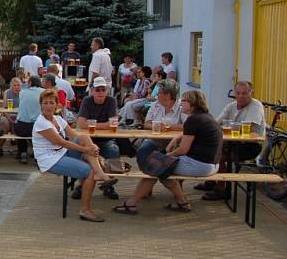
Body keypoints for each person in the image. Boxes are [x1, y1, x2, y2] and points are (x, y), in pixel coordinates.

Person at [113, 90, 221, 215]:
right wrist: (177, 138)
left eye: (184, 101)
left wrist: (164, 156)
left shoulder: (193, 120)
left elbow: (183, 150)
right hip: (212, 165)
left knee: (156, 165)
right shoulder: (206, 117)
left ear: (193, 104)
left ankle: (131, 204)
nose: (181, 104)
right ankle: (182, 201)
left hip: (200, 165)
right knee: (162, 169)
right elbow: (191, 136)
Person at [33, 89, 110, 222]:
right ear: (41, 105)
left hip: (62, 153)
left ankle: (99, 172)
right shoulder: (41, 123)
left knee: (85, 137)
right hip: (50, 160)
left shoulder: (57, 119)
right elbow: (61, 142)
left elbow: (75, 136)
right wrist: (87, 150)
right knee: (89, 172)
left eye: (51, 103)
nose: (48, 106)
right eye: (45, 103)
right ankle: (85, 210)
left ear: (57, 105)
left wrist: (91, 146)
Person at [199, 81, 266, 199]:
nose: (241, 96)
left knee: (219, 156)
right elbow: (216, 123)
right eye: (238, 93)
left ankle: (222, 189)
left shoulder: (256, 106)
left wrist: (226, 128)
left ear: (251, 93)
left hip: (249, 146)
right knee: (206, 149)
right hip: (232, 142)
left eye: (244, 93)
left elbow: (248, 127)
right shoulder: (231, 106)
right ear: (234, 93)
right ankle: (212, 181)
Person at [134, 79, 188, 170]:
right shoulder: (155, 105)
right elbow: (146, 124)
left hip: (174, 142)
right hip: (155, 140)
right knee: (142, 151)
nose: (157, 95)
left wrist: (169, 127)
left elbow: (187, 126)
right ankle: (149, 172)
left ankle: (158, 174)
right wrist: (156, 126)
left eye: (160, 93)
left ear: (169, 95)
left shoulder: (181, 107)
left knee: (171, 161)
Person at [15, 75, 44, 164]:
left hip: (21, 128)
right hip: (37, 128)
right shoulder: (44, 92)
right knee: (40, 129)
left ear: (30, 83)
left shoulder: (22, 92)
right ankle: (37, 153)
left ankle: (23, 152)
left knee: (18, 124)